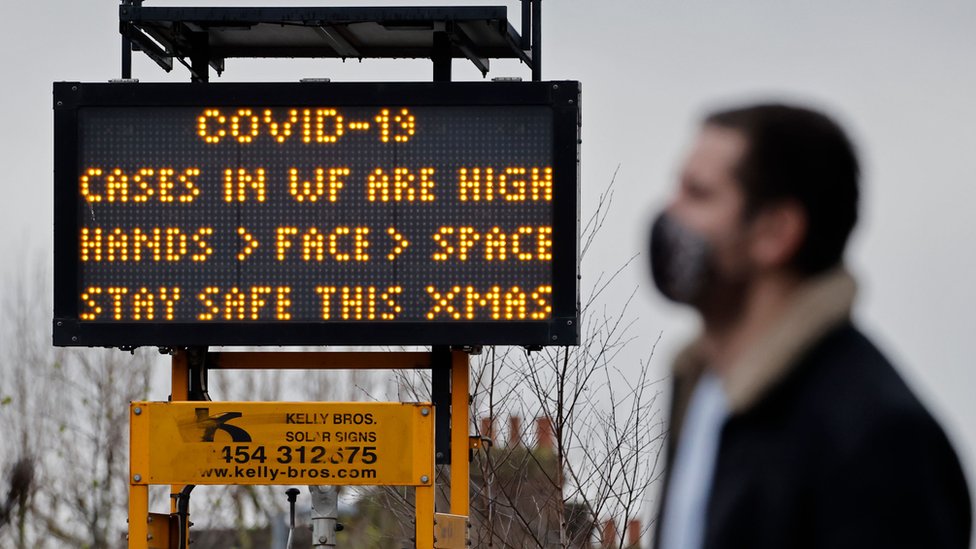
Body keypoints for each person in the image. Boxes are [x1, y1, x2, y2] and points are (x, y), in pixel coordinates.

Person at [649, 103, 971, 549]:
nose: (670, 212)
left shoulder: (881, 442)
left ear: (776, 233)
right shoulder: (702, 393)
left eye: (699, 194)